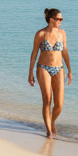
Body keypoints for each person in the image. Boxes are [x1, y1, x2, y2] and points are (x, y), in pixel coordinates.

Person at [29, 8, 73, 138]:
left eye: (61, 19)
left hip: (59, 69)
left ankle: (52, 121)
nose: (61, 21)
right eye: (59, 19)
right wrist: (30, 72)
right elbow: (34, 53)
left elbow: (65, 51)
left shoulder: (62, 33)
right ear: (51, 19)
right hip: (43, 68)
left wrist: (70, 70)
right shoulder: (40, 34)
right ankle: (48, 131)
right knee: (47, 100)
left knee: (59, 104)